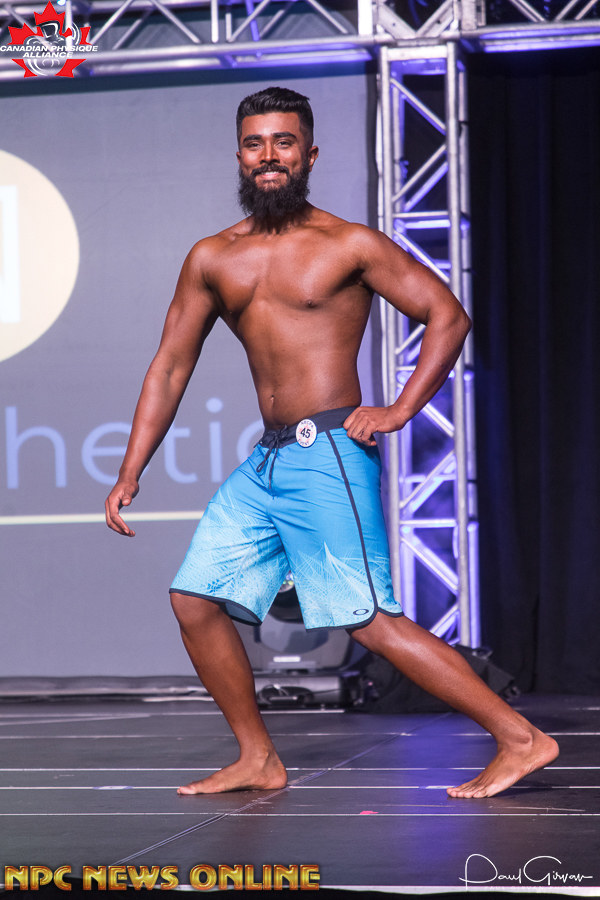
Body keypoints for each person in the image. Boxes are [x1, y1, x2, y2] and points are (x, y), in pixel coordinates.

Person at [105, 86, 558, 799]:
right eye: (255, 143)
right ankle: (258, 757)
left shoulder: (349, 244)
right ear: (240, 156)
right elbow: (169, 366)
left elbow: (446, 314)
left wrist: (401, 408)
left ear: (309, 155)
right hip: (269, 460)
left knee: (367, 619)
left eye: (284, 142)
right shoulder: (213, 256)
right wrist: (131, 469)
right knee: (195, 598)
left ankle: (520, 737)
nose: (269, 156)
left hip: (329, 455)